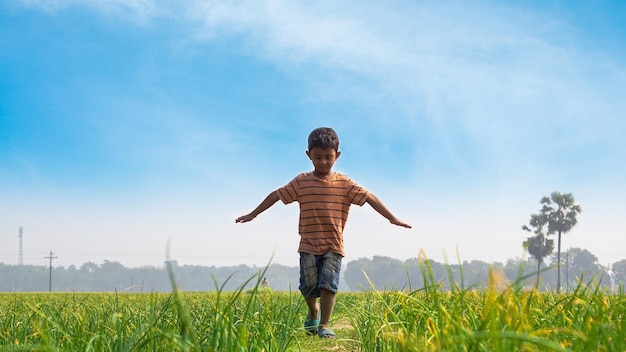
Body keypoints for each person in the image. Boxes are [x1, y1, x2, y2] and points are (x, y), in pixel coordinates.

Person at [236, 127, 411, 339]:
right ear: (308, 155)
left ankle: (324, 325)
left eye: (328, 157)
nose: (323, 162)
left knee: (329, 284)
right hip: (308, 243)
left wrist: (392, 217)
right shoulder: (301, 182)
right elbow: (276, 195)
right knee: (308, 286)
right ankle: (314, 310)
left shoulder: (344, 184)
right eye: (317, 157)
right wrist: (253, 214)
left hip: (334, 244)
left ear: (337, 156)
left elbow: (369, 197)